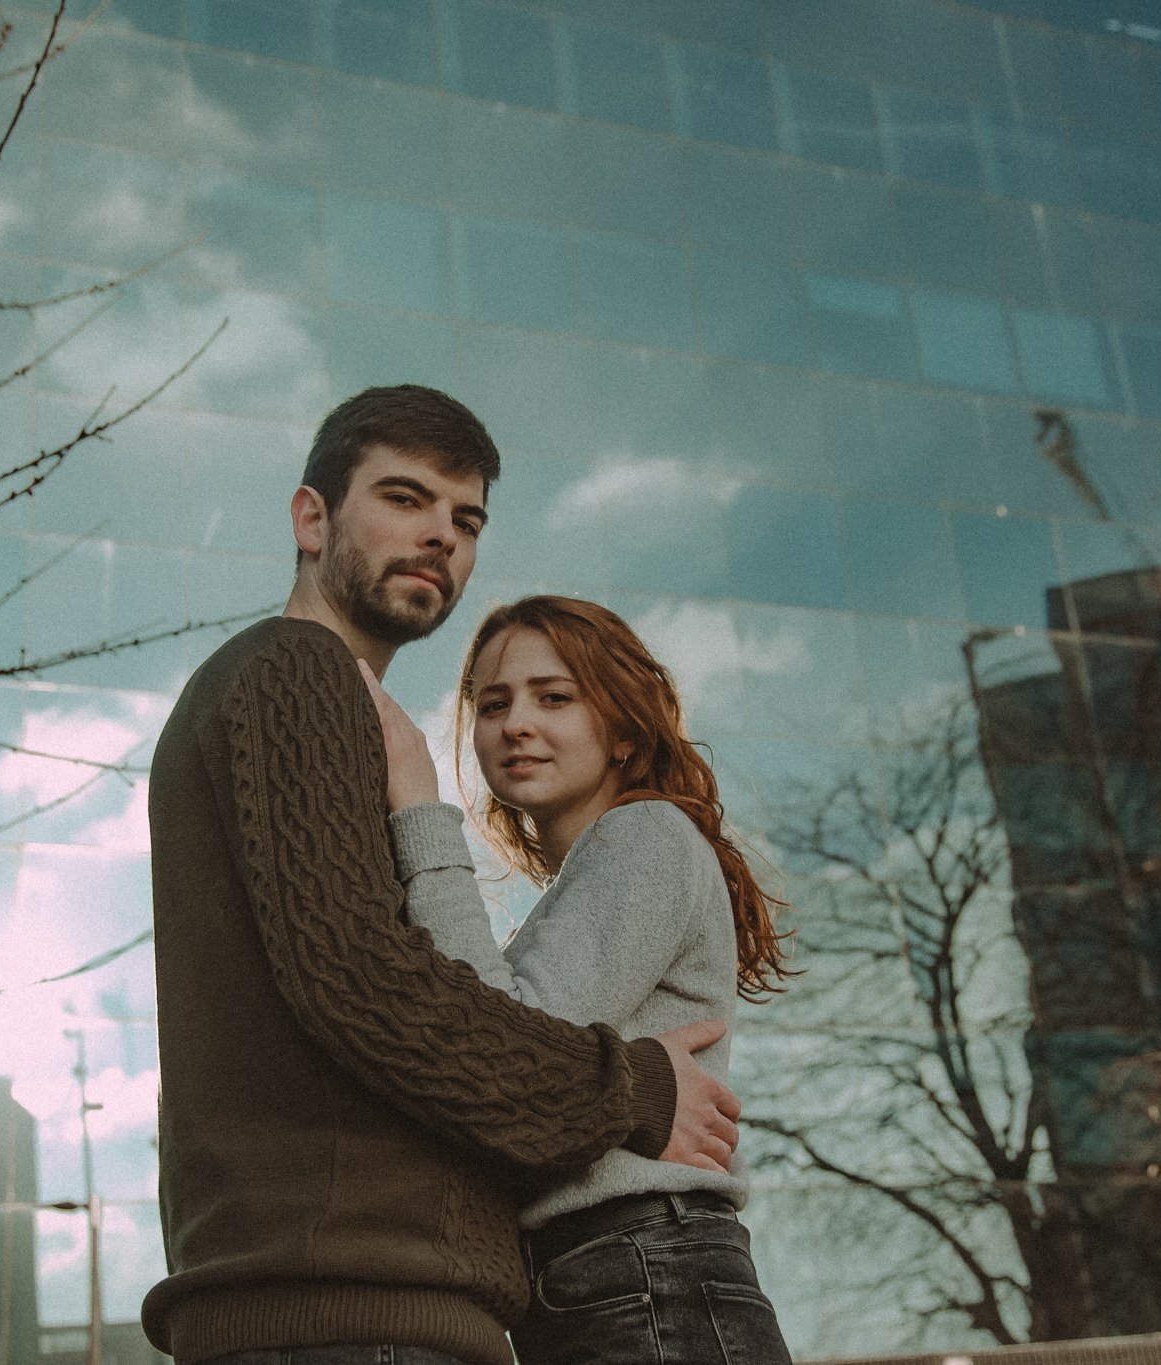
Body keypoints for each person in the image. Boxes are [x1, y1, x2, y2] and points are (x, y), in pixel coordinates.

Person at [139, 387, 742, 1365]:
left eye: (466, 520)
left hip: (367, 1305)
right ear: (311, 520)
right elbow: (367, 982)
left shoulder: (319, 706)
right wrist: (631, 1089)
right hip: (347, 1312)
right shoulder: (296, 668)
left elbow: (381, 987)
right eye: (404, 498)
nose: (441, 536)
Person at [360, 594, 797, 1365]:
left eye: (554, 696)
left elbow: (502, 1044)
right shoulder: (587, 884)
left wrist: (420, 814)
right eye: (493, 704)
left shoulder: (646, 833)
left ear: (625, 730)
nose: (515, 723)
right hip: (606, 1275)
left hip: (644, 1269)